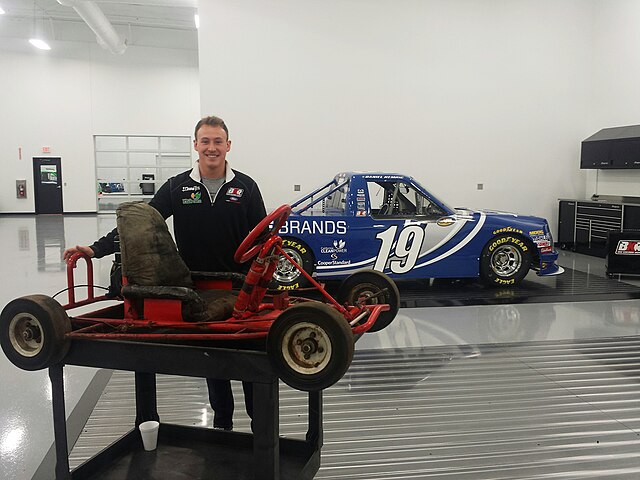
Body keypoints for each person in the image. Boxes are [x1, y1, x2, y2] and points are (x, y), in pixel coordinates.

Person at [63, 115, 267, 431]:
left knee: (252, 356)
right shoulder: (177, 187)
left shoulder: (247, 188)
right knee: (214, 360)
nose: (211, 148)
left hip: (240, 288)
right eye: (205, 141)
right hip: (196, 290)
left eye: (217, 142)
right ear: (196, 145)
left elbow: (264, 237)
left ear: (228, 146)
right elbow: (139, 226)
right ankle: (223, 425)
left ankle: (260, 428)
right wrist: (94, 249)